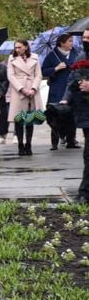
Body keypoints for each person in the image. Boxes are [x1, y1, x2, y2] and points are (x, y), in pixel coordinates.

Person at [42, 33, 81, 150]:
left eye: (72, 41)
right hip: (57, 89)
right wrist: (56, 68)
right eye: (69, 41)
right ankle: (55, 141)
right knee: (55, 115)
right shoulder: (52, 56)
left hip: (72, 89)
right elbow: (43, 70)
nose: (71, 43)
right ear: (62, 43)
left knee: (72, 115)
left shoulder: (76, 54)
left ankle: (71, 140)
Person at [6, 39, 43, 156]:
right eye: (16, 47)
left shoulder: (35, 58)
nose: (17, 49)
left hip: (32, 89)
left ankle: (29, 144)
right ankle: (20, 145)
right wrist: (22, 89)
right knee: (19, 119)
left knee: (30, 119)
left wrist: (33, 89)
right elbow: (10, 76)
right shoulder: (11, 59)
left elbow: (38, 75)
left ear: (26, 47)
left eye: (20, 47)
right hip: (19, 91)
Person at [60, 59, 89, 203]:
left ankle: (84, 193)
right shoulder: (81, 59)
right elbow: (71, 84)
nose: (85, 41)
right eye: (84, 37)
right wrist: (65, 100)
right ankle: (84, 193)